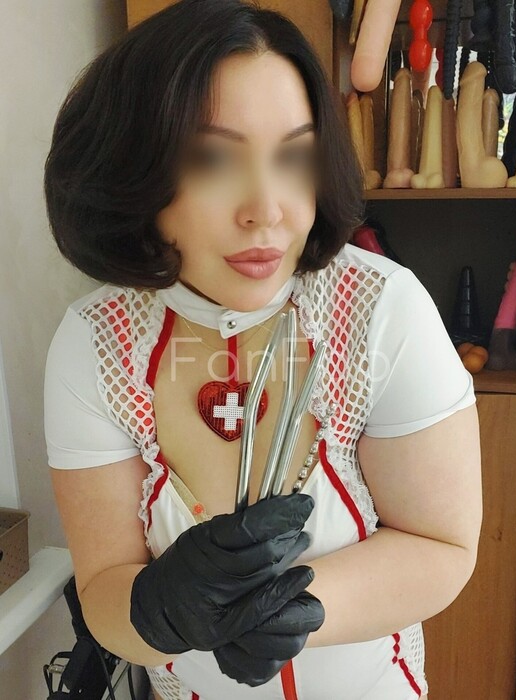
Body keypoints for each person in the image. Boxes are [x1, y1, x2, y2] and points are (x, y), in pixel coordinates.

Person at [43, 1, 482, 698]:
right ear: (132, 169)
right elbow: (102, 592)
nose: (268, 209)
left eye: (294, 155)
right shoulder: (95, 344)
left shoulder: (380, 310)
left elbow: (441, 546)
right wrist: (155, 607)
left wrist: (300, 608)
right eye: (212, 158)